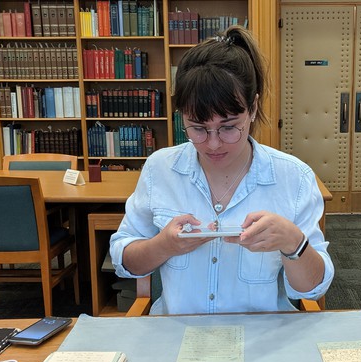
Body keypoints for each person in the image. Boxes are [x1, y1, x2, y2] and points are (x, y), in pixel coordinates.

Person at [109, 26, 334, 315]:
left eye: (229, 126)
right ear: (182, 117)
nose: (213, 143)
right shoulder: (159, 169)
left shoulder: (294, 178)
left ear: (252, 109)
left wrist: (293, 243)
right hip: (176, 338)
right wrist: (162, 246)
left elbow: (313, 289)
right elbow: (124, 261)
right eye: (198, 128)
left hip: (262, 341)